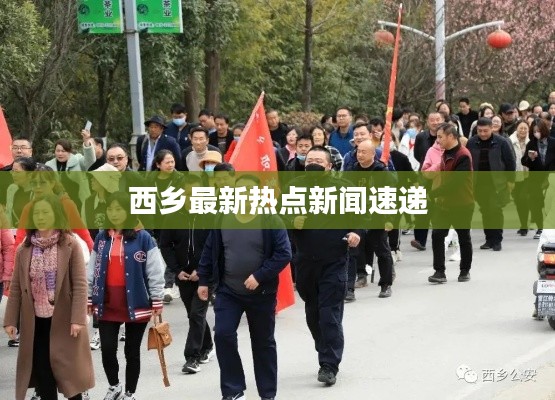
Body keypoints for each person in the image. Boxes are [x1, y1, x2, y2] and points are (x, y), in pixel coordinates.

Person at [197, 174, 292, 400]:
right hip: (229, 291)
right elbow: (210, 251)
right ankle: (234, 390)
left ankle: (267, 393)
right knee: (223, 335)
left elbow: (284, 253)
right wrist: (203, 280)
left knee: (263, 342)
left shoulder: (270, 219)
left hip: (261, 293)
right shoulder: (223, 218)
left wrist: (260, 275)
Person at [3, 194, 94, 400]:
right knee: (44, 376)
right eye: (37, 213)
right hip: (35, 322)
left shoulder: (70, 244)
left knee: (70, 377)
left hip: (64, 320)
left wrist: (78, 319)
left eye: (46, 212)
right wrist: (10, 320)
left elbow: (80, 285)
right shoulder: (24, 248)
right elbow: (16, 287)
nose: (41, 217)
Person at [286, 146, 361, 386]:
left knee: (329, 313)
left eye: (318, 161)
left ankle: (329, 364)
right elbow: (279, 217)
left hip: (334, 261)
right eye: (310, 160)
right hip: (305, 263)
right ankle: (324, 345)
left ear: (329, 166)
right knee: (313, 314)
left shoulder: (343, 189)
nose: (313, 164)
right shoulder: (294, 187)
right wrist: (291, 220)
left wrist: (356, 233)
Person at [87, 192, 165, 400]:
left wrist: (156, 298)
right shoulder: (102, 238)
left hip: (137, 302)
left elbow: (155, 270)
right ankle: (114, 386)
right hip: (107, 303)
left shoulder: (143, 237)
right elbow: (92, 269)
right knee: (107, 349)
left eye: (119, 209)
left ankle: (130, 393)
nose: (114, 213)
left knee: (132, 351)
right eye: (110, 209)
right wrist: (89, 295)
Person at [159, 174, 214, 374]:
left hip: (205, 275)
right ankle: (207, 345)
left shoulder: (210, 214)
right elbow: (165, 245)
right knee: (193, 314)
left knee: (197, 313)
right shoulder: (172, 215)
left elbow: (214, 246)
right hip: (183, 275)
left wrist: (203, 270)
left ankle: (192, 357)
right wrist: (177, 270)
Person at [427, 123, 474, 283]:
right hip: (444, 204)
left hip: (462, 203)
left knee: (463, 237)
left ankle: (464, 271)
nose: (438, 140)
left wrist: (433, 193)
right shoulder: (445, 153)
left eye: (440, 137)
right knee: (437, 235)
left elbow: (455, 183)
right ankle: (439, 271)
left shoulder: (463, 155)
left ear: (451, 136)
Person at [15, 165, 94, 252]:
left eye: (42, 183)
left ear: (52, 183)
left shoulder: (66, 205)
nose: (38, 187)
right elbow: (20, 239)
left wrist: (94, 254)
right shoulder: (28, 208)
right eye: (34, 183)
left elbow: (83, 234)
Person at [466, 117, 516, 251]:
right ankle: (488, 239)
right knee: (485, 210)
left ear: (492, 129)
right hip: (478, 183)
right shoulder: (472, 142)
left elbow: (510, 162)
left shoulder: (501, 142)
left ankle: (497, 240)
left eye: (485, 131)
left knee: (495, 209)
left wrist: (510, 180)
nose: (482, 134)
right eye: (480, 131)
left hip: (497, 183)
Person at [411, 112, 443, 251]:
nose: (435, 122)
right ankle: (420, 240)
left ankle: (443, 238)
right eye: (432, 120)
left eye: (438, 119)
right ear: (427, 122)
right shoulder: (421, 137)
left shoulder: (448, 135)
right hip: (424, 176)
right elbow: (417, 155)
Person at [45, 131, 97, 212]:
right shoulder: (49, 165)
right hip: (58, 207)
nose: (60, 154)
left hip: (80, 204)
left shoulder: (78, 160)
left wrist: (86, 142)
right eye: (57, 151)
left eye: (63, 151)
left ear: (69, 152)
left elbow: (90, 160)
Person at [521, 118, 555, 239]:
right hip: (536, 178)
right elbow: (524, 161)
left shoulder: (553, 142)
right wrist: (531, 158)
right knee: (536, 203)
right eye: (534, 131)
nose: (537, 133)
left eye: (538, 130)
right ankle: (540, 227)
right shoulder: (531, 144)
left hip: (551, 177)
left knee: (550, 203)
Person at [509, 120, 531, 235]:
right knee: (518, 200)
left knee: (523, 199)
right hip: (516, 175)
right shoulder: (510, 141)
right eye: (521, 128)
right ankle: (523, 223)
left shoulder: (531, 141)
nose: (523, 130)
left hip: (528, 175)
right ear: (516, 129)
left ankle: (525, 226)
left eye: (525, 128)